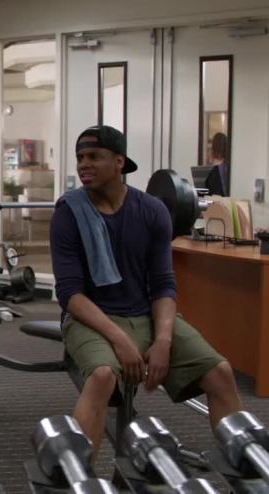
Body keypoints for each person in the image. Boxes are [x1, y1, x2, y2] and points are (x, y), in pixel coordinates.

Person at [50, 125, 243, 458]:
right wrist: (121, 340)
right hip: (92, 318)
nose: (84, 164)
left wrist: (164, 341)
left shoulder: (152, 211)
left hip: (145, 314)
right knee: (102, 376)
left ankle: (247, 468)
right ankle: (80, 477)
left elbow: (163, 284)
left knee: (221, 373)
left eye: (94, 156)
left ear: (119, 162)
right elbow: (70, 295)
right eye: (80, 157)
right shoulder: (68, 213)